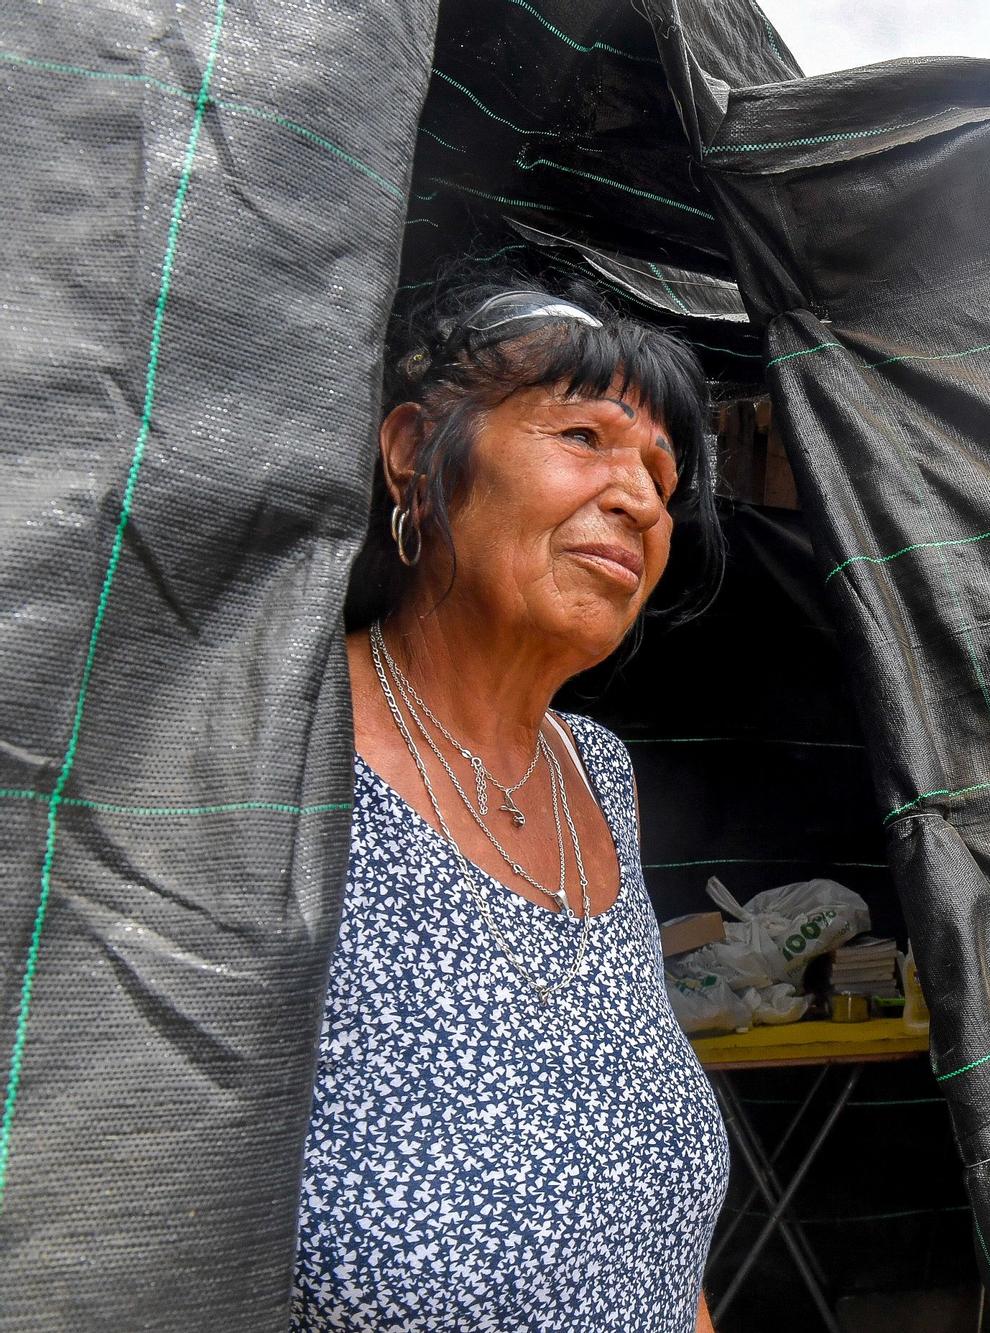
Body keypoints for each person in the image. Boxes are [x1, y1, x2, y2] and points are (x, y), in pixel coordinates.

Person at [291, 275, 729, 1331]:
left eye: (662, 476)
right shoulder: (282, 752)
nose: (639, 499)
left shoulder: (597, 774)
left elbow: (651, 1255)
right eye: (584, 435)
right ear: (412, 451)